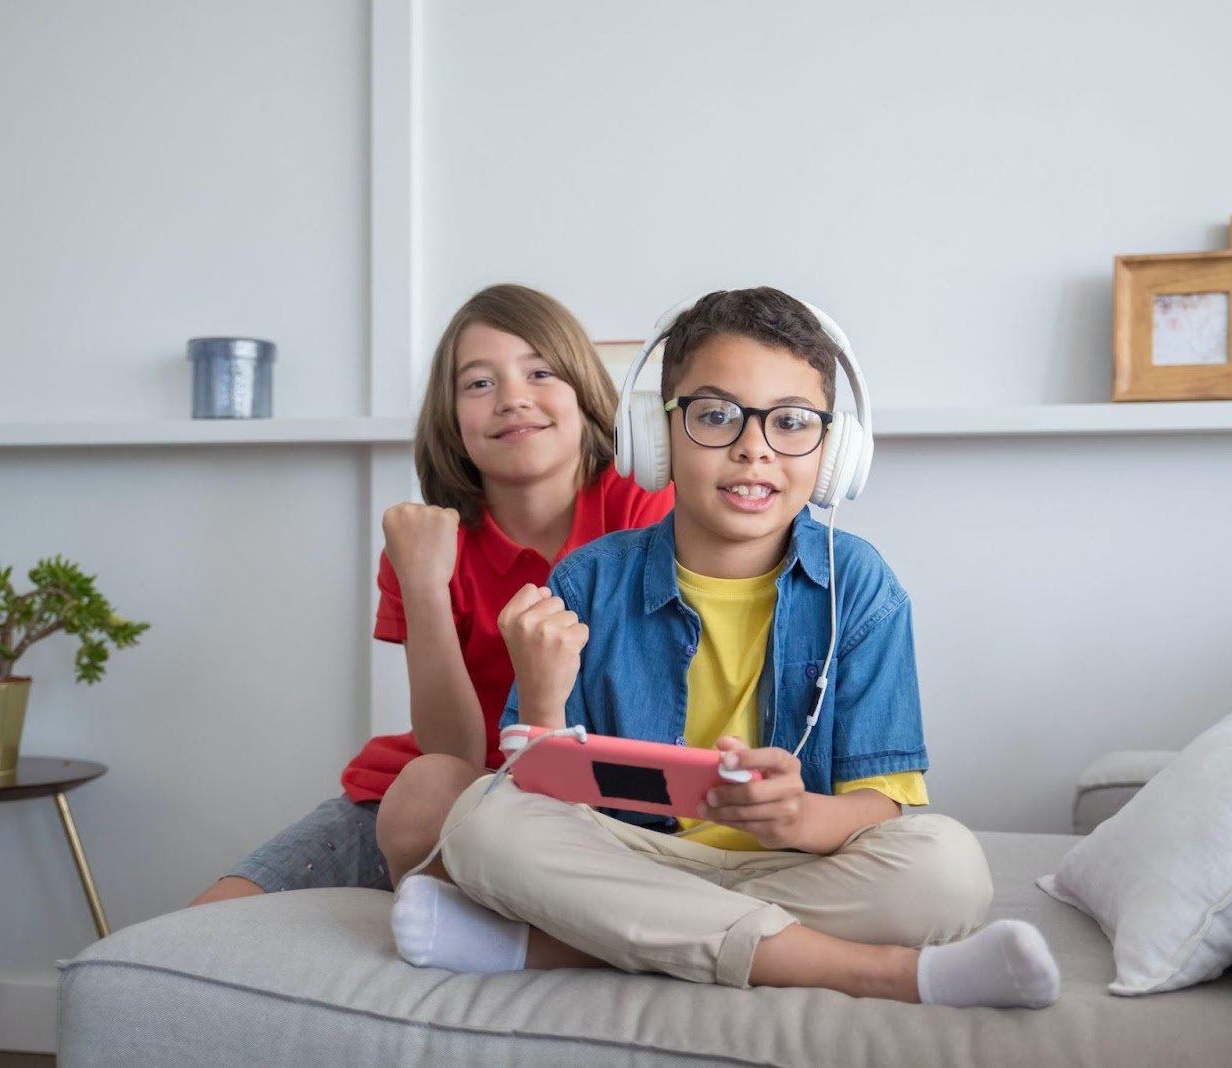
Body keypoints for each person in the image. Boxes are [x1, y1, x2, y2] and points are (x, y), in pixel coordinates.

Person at [382, 287, 1060, 1009]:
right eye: (714, 416)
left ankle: (567, 944)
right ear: (657, 436)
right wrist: (543, 695)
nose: (754, 448)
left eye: (793, 423)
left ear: (834, 454)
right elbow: (543, 795)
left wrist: (800, 817)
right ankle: (871, 972)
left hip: (786, 869)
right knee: (487, 824)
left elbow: (880, 806)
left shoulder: (860, 585)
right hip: (631, 854)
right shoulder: (589, 578)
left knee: (948, 868)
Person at [190, 284, 673, 906]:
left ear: (585, 393)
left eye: (540, 372)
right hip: (427, 790)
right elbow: (454, 754)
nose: (513, 399)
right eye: (479, 383)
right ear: (451, 417)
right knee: (207, 920)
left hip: (579, 793)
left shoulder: (644, 510)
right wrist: (422, 584)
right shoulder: (423, 543)